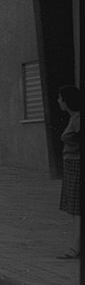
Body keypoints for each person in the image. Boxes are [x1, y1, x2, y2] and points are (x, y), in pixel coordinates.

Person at [57, 85, 81, 259]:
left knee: (77, 208)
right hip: (71, 164)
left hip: (77, 165)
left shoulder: (78, 119)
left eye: (60, 98)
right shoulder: (73, 118)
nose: (58, 101)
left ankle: (75, 247)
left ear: (67, 101)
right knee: (74, 209)